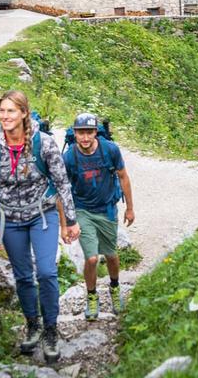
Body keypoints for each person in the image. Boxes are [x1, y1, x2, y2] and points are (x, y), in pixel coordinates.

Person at [0, 91, 80, 363]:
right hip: (9, 220)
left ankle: (50, 330)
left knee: (46, 272)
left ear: (23, 113)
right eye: (2, 111)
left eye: (11, 111)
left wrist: (70, 220)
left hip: (42, 216)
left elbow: (62, 183)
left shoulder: (43, 144)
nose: (5, 117)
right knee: (23, 276)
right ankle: (32, 324)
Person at [63, 113, 134, 320]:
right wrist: (66, 222)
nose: (85, 138)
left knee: (111, 255)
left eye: (88, 133)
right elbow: (61, 189)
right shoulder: (69, 157)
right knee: (92, 258)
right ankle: (92, 296)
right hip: (83, 210)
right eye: (80, 133)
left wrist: (130, 208)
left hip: (107, 209)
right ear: (75, 134)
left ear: (96, 132)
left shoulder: (110, 150)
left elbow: (123, 177)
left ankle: (114, 287)